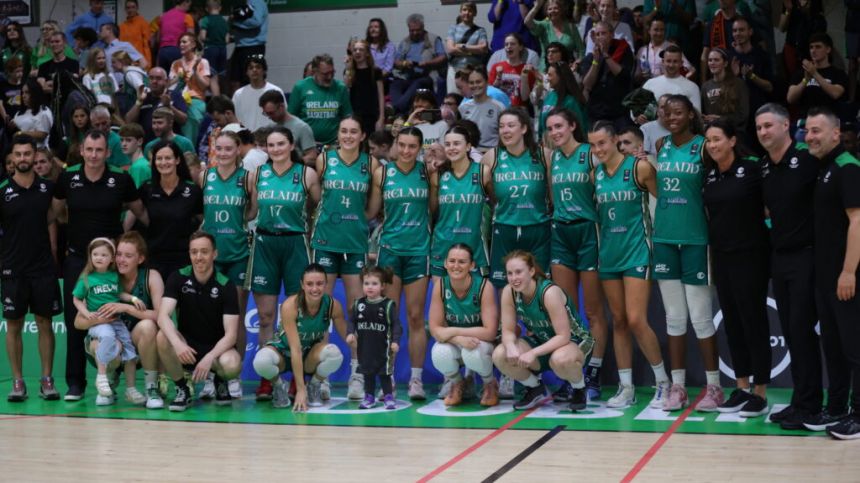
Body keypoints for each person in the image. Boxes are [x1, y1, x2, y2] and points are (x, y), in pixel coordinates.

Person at [53, 130, 147, 400]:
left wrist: (123, 242)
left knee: (116, 317)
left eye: (99, 150)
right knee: (76, 321)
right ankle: (75, 383)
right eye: (89, 150)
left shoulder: (120, 178)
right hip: (77, 260)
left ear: (108, 152)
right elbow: (58, 212)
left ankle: (117, 376)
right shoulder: (68, 177)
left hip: (111, 264)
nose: (94, 155)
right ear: (82, 150)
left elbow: (138, 210)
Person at [754, 103, 825, 430]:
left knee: (802, 331)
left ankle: (811, 405)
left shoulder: (809, 160)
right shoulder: (765, 166)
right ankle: (801, 400)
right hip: (779, 258)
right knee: (792, 333)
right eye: (759, 128)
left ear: (786, 126)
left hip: (808, 256)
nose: (763, 132)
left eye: (769, 125)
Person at [589, 120, 670, 409]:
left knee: (636, 319)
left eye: (603, 143)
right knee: (619, 321)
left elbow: (667, 200)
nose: (598, 149)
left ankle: (663, 383)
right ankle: (626, 388)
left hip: (637, 252)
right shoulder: (594, 174)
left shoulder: (640, 168)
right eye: (594, 144)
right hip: (608, 255)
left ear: (614, 141)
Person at [651, 95, 722, 412]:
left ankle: (714, 387)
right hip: (665, 238)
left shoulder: (704, 146)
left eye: (678, 112)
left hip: (696, 239)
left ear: (690, 115)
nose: (672, 117)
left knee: (702, 319)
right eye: (667, 112)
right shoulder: (661, 145)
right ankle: (677, 387)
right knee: (674, 318)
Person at [701, 118, 771, 418]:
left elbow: (771, 206)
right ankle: (741, 386)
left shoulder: (753, 169)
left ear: (732, 140)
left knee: (753, 321)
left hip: (751, 256)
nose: (713, 145)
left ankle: (760, 392)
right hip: (722, 258)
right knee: (732, 322)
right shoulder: (709, 176)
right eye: (709, 140)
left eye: (718, 138)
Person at [248, 126, 321, 401]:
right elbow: (252, 211)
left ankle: (297, 377)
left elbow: (318, 208)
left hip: (295, 244)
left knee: (297, 317)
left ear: (291, 145)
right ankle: (269, 379)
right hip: (265, 244)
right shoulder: (259, 175)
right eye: (270, 145)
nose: (275, 149)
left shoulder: (307, 174)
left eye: (280, 144)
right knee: (266, 317)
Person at [311, 116, 380, 400]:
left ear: (363, 135)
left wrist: (354, 222)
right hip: (325, 241)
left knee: (356, 310)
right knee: (322, 309)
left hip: (354, 244)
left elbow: (373, 208)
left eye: (354, 131)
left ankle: (357, 373)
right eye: (344, 131)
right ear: (337, 134)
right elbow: (316, 199)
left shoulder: (372, 165)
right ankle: (322, 376)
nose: (348, 136)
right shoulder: (324, 160)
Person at [544, 108, 608, 401]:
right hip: (561, 232)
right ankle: (573, 375)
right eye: (550, 128)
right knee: (566, 311)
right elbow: (552, 196)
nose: (555, 132)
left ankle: (594, 371)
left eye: (559, 126)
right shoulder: (552, 157)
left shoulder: (589, 154)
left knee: (593, 310)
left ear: (572, 126)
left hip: (587, 232)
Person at [804, 107, 860, 439]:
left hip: (846, 275)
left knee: (854, 346)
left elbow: (858, 220)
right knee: (835, 346)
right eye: (807, 131)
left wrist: (849, 272)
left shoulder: (848, 168)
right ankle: (837, 407)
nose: (810, 137)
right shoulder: (824, 167)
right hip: (825, 275)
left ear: (836, 133)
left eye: (817, 131)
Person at [367, 127, 431, 400]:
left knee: (416, 317)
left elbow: (436, 209)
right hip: (390, 251)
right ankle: (388, 377)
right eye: (401, 145)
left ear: (420, 148)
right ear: (395, 145)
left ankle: (416, 379)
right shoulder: (383, 173)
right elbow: (371, 211)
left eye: (412, 146)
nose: (406, 151)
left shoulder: (429, 172)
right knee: (389, 318)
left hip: (418, 250)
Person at [491, 250, 594, 410]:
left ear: (531, 271)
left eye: (519, 272)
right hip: (543, 341)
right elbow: (508, 331)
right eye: (510, 273)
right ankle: (535, 387)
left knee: (559, 360)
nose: (514, 278)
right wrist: (511, 347)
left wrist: (533, 353)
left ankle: (579, 389)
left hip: (576, 341)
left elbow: (563, 336)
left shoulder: (548, 292)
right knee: (500, 354)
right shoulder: (509, 292)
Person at [1, 135, 62, 402]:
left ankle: (46, 380)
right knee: (13, 325)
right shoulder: (2, 190)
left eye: (28, 154)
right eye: (19, 154)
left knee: (44, 322)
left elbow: (53, 218)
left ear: (35, 157)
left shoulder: (48, 189)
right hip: (12, 269)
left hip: (42, 269)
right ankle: (17, 381)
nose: (24, 159)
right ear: (12, 159)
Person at [156, 231, 242, 411]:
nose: (199, 257)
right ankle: (182, 389)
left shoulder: (226, 285)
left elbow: (232, 335)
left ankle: (220, 380)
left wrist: (210, 357)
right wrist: (178, 345)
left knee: (232, 364)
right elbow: (163, 316)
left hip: (216, 350)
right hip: (187, 347)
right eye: (194, 252)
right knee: (162, 337)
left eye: (204, 251)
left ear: (214, 254)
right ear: (189, 254)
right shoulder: (177, 277)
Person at [200, 130, 255, 398]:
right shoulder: (205, 176)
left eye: (228, 149)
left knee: (235, 318)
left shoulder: (247, 178)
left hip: (238, 255)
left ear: (237, 151)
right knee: (210, 318)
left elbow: (252, 211)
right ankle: (211, 376)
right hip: (211, 258)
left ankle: (233, 376)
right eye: (218, 149)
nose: (222, 153)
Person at [252, 264, 348, 410]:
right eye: (310, 284)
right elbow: (295, 349)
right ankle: (279, 386)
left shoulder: (333, 306)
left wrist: (365, 347)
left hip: (309, 356)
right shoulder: (291, 305)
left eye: (319, 283)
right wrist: (300, 390)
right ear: (302, 285)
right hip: (284, 353)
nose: (315, 289)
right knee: (261, 361)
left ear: (326, 284)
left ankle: (314, 385)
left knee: (334, 354)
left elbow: (348, 337)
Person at [481, 107, 551, 292]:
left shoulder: (544, 155)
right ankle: (509, 322)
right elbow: (486, 191)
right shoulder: (491, 157)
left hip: (538, 228)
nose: (505, 130)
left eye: (511, 125)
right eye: (502, 126)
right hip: (504, 228)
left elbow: (552, 194)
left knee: (540, 286)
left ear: (524, 129)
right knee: (504, 288)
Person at [72, 237, 146, 406]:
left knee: (130, 351)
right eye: (95, 254)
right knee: (107, 337)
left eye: (104, 255)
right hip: (99, 323)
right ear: (90, 256)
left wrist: (133, 298)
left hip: (116, 321)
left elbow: (120, 294)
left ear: (112, 258)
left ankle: (131, 388)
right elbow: (76, 299)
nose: (99, 258)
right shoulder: (86, 278)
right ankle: (102, 377)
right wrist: (87, 313)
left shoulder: (114, 276)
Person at [429, 244, 499, 406]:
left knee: (472, 352)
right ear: (445, 263)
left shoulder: (483, 286)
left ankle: (490, 383)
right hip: (459, 341)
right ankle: (458, 383)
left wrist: (453, 331)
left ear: (472, 265)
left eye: (462, 262)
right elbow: (435, 329)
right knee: (439, 353)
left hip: (484, 344)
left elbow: (490, 332)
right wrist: (458, 339)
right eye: (452, 261)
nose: (456, 266)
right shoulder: (440, 285)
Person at [429, 126, 492, 278]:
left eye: (457, 143)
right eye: (448, 144)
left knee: (474, 299)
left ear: (468, 146)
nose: (452, 148)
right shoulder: (437, 176)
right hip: (443, 244)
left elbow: (497, 203)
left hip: (474, 245)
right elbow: (432, 212)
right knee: (442, 297)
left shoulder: (483, 172)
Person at [138, 140, 203, 280]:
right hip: (154, 258)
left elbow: (203, 220)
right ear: (154, 162)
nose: (163, 162)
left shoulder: (193, 190)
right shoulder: (147, 189)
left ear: (177, 160)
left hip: (184, 259)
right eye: (159, 158)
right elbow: (137, 212)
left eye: (168, 158)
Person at [346, 265, 402, 410]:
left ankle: (388, 396)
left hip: (383, 348)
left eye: (374, 284)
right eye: (366, 283)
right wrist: (350, 333)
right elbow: (352, 320)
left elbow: (396, 325)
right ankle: (369, 397)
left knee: (384, 374)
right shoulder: (359, 304)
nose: (370, 287)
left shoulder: (388, 305)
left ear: (382, 286)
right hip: (365, 348)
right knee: (368, 373)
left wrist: (395, 341)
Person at [288, 53, 352, 147]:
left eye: (332, 72)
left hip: (334, 144)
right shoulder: (300, 87)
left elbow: (347, 118)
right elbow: (291, 118)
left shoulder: (340, 88)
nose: (330, 77)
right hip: (307, 145)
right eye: (325, 74)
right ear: (314, 72)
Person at [580, 21, 635, 129]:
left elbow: (622, 75)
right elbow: (587, 85)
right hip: (597, 113)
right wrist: (596, 61)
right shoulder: (590, 58)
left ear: (612, 35)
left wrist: (605, 54)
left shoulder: (623, 50)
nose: (600, 37)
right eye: (597, 34)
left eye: (603, 33)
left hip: (619, 113)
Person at [390, 14, 447, 115]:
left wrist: (427, 63)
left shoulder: (433, 39)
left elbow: (443, 57)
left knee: (418, 83)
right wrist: (404, 63)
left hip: (427, 76)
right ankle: (400, 111)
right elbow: (395, 61)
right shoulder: (405, 42)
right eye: (412, 30)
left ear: (423, 27)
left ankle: (396, 109)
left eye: (418, 30)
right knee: (395, 84)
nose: (415, 33)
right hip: (408, 76)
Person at [786, 33, 849, 121]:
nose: (813, 50)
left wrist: (815, 74)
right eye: (811, 47)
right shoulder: (801, 73)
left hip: (829, 121)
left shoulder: (838, 73)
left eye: (818, 47)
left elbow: (835, 93)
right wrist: (806, 80)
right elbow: (790, 98)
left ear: (828, 49)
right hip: (806, 121)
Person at [125, 67, 188, 143]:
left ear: (166, 81)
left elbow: (183, 120)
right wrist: (139, 102)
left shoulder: (174, 95)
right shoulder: (143, 97)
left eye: (158, 78)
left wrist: (169, 106)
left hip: (170, 144)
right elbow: (129, 122)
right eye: (151, 78)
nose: (154, 81)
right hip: (147, 144)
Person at [169, 32, 210, 145]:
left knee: (191, 119)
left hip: (195, 100)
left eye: (184, 42)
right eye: (180, 43)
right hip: (177, 99)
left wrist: (195, 71)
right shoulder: (175, 63)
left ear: (193, 45)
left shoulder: (202, 62)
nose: (181, 45)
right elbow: (170, 86)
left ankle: (190, 148)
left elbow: (204, 86)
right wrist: (178, 78)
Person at [258, 90, 316, 164]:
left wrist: (292, 163)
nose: (269, 117)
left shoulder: (302, 127)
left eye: (271, 113)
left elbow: (312, 157)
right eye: (266, 114)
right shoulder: (270, 127)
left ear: (282, 106)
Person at [525, 0, 584, 71]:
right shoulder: (544, 26)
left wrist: (577, 63)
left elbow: (581, 50)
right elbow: (527, 22)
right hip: (546, 70)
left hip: (567, 70)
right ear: (546, 12)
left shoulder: (571, 27)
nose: (553, 11)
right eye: (549, 9)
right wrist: (536, 7)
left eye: (556, 8)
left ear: (561, 10)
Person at [701, 48, 748, 134]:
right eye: (710, 60)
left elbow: (743, 114)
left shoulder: (738, 83)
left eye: (716, 60)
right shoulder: (705, 86)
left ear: (725, 63)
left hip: (734, 132)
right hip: (714, 132)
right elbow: (704, 112)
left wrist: (720, 119)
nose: (712, 63)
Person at [634, 17, 694, 84]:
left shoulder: (672, 47)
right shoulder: (642, 50)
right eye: (656, 30)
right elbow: (636, 75)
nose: (659, 33)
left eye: (662, 30)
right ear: (649, 31)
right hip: (648, 89)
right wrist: (640, 75)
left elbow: (690, 69)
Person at [445, 2, 489, 93]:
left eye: (470, 10)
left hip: (473, 70)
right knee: (454, 97)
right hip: (454, 69)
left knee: (472, 97)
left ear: (475, 13)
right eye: (464, 10)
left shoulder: (480, 31)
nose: (467, 13)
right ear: (460, 12)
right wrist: (473, 51)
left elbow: (483, 48)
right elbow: (450, 49)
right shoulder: (453, 28)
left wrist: (463, 46)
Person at [344, 39, 385, 135]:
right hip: (356, 114)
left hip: (372, 115)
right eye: (355, 50)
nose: (357, 52)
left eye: (361, 50)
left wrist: (381, 118)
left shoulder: (376, 71)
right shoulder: (350, 72)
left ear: (367, 53)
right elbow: (346, 87)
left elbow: (381, 95)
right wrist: (348, 68)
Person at [642, 45, 701, 112]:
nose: (671, 65)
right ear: (663, 61)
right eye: (668, 61)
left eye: (675, 61)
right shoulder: (650, 84)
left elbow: (697, 115)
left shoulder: (692, 87)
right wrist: (637, 117)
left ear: (681, 63)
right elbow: (636, 108)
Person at [232, 56, 283, 132]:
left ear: (264, 71)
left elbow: (282, 116)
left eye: (258, 67)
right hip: (247, 139)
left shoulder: (276, 90)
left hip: (271, 137)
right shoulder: (238, 94)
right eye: (251, 68)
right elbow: (234, 119)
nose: (254, 70)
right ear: (247, 72)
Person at [459, 67, 506, 150]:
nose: (475, 85)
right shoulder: (463, 107)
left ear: (487, 82)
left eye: (478, 82)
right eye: (471, 83)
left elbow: (504, 134)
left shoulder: (499, 107)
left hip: (493, 153)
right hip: (470, 153)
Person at [538, 61, 588, 139]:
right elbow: (541, 127)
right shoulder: (549, 96)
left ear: (560, 76)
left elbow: (580, 129)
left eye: (550, 75)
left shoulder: (570, 101)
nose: (547, 78)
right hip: (547, 147)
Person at [228, 0, 268, 92]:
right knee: (235, 80)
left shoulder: (257, 2)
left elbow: (256, 21)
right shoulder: (239, 3)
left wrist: (236, 23)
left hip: (254, 46)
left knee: (252, 80)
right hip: (240, 46)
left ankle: (254, 104)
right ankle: (237, 104)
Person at [488, 33, 537, 108]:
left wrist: (524, 77)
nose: (509, 46)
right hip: (499, 108)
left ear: (520, 47)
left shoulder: (527, 69)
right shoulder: (496, 67)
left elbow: (525, 98)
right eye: (506, 44)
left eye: (512, 44)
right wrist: (498, 77)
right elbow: (491, 93)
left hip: (518, 109)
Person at [196, 95, 240, 166]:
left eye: (218, 120)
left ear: (228, 113)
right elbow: (203, 146)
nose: (216, 123)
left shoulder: (241, 133)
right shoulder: (214, 127)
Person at [198, 0, 228, 97]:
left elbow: (202, 37)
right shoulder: (224, 21)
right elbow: (227, 40)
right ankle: (224, 99)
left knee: (213, 78)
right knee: (221, 77)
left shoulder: (206, 20)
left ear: (207, 9)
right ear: (220, 8)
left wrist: (206, 39)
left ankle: (217, 104)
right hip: (222, 50)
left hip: (211, 49)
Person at [11, 79, 52, 147]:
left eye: (27, 92)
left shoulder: (43, 111)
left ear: (35, 93)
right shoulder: (20, 112)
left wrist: (21, 133)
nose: (23, 96)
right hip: (20, 147)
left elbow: (43, 134)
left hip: (38, 149)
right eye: (22, 93)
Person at [156, 0, 194, 72]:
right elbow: (191, 38)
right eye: (189, 5)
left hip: (162, 51)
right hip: (178, 51)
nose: (189, 8)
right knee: (179, 78)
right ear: (185, 2)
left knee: (163, 79)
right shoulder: (187, 17)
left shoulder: (163, 16)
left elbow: (158, 39)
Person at [90, 105, 131, 169]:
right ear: (92, 124)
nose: (101, 128)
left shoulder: (117, 141)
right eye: (97, 125)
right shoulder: (89, 140)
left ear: (110, 120)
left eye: (104, 123)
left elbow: (125, 167)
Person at [120, 0, 153, 68]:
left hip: (139, 61)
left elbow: (147, 45)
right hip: (126, 61)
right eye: (128, 8)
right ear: (125, 9)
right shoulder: (121, 26)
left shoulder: (143, 23)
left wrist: (148, 62)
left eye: (133, 7)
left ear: (137, 8)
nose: (130, 10)